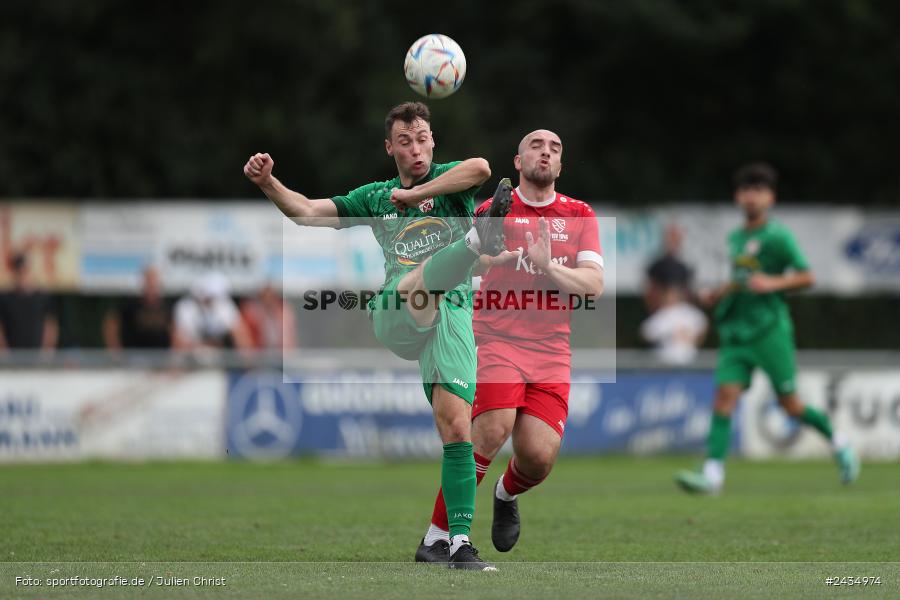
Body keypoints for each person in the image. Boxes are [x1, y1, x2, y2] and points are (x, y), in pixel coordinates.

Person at [243, 101, 512, 570]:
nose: (416, 148)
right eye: (404, 141)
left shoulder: (447, 183)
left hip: (452, 315)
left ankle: (453, 544)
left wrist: (417, 196)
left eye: (423, 138)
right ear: (390, 148)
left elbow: (482, 168)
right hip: (395, 307)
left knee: (456, 427)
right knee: (418, 283)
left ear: (433, 141)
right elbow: (306, 212)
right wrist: (268, 183)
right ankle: (475, 242)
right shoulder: (375, 196)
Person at [416, 129, 603, 560]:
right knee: (491, 429)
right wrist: (486, 258)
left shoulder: (579, 213)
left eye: (555, 149)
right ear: (518, 161)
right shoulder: (493, 209)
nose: (546, 152)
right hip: (496, 337)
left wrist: (548, 269)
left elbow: (592, 286)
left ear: (561, 166)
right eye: (536, 146)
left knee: (538, 458)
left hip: (552, 350)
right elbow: (465, 264)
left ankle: (506, 492)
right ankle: (436, 538)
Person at [675, 162, 859, 494]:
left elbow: (807, 276)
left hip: (770, 331)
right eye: (746, 190)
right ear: (737, 196)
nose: (751, 197)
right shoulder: (735, 238)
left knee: (791, 405)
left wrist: (773, 282)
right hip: (737, 333)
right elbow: (741, 279)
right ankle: (712, 476)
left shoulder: (778, 237)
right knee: (724, 397)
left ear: (770, 198)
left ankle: (839, 442)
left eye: (759, 190)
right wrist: (719, 292)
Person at [641, 224, 707, 365]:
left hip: (682, 316)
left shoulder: (684, 266)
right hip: (661, 316)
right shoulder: (657, 265)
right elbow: (650, 290)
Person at [171, 272, 253, 357]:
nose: (212, 301)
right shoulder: (185, 307)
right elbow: (178, 345)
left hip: (220, 359)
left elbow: (243, 341)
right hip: (190, 359)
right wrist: (202, 347)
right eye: (210, 297)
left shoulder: (224, 306)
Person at [103, 266, 173, 351]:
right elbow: (111, 323)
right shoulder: (131, 304)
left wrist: (173, 356)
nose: (152, 286)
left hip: (160, 358)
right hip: (135, 358)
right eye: (149, 282)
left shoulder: (166, 307)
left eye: (154, 282)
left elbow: (173, 332)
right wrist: (115, 350)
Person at [0, 253, 58, 355]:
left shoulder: (42, 296)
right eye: (19, 271)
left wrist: (47, 350)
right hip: (13, 355)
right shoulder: (5, 298)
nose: (22, 275)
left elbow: (50, 325)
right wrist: (4, 350)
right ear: (14, 272)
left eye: (25, 271)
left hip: (37, 356)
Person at [240, 283, 298, 350]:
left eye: (272, 296)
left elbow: (289, 341)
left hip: (279, 355)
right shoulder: (251, 312)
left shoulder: (284, 311)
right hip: (259, 355)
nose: (268, 300)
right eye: (265, 296)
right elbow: (247, 342)